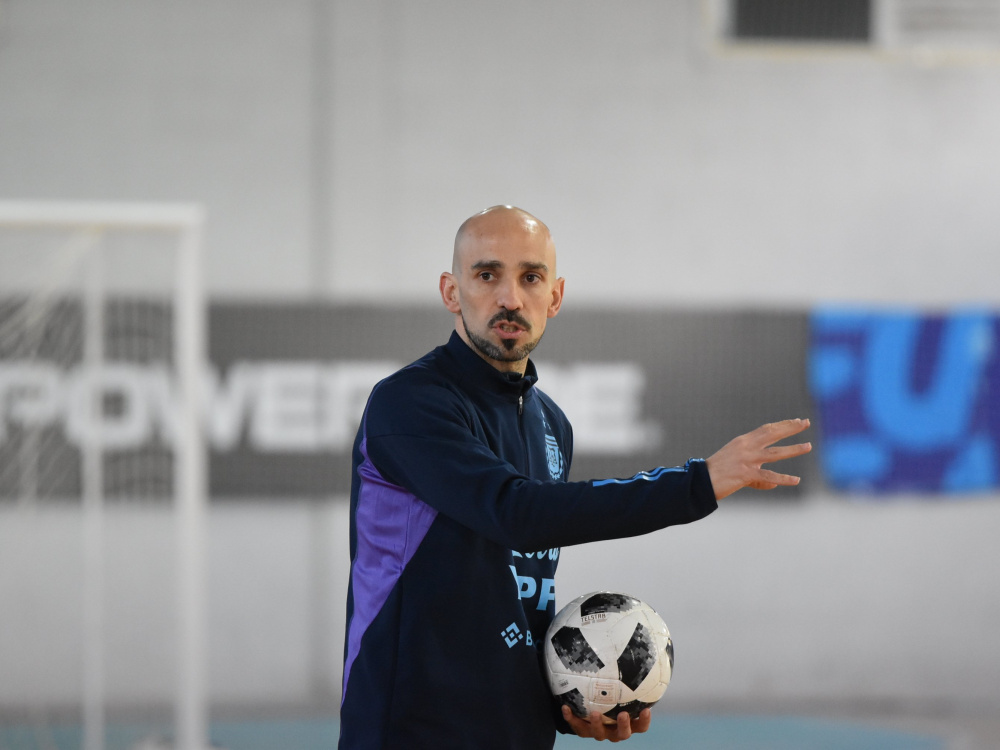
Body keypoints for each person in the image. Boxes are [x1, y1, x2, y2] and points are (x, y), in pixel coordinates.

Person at [339, 206, 811, 749]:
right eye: (487, 275)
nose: (510, 298)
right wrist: (696, 484)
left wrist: (572, 704)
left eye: (530, 277)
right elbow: (514, 513)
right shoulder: (408, 403)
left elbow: (517, 599)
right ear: (451, 291)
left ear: (555, 296)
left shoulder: (551, 424)